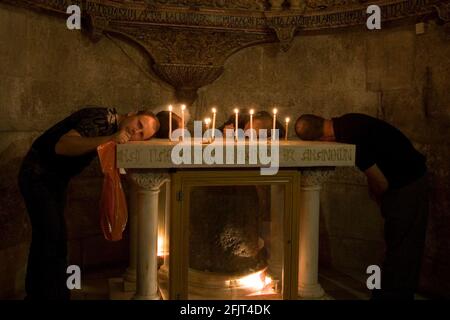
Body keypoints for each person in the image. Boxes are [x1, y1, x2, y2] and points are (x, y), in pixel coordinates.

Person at [18, 106, 160, 300]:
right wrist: (111, 139)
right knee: (51, 238)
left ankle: (45, 295)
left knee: (52, 238)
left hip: (52, 180)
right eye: (139, 124)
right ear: (131, 114)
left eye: (142, 134)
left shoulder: (112, 128)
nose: (137, 131)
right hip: (38, 175)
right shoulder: (101, 119)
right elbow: (62, 145)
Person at [295, 113, 428, 300]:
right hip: (408, 176)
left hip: (408, 183)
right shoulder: (348, 120)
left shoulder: (353, 142)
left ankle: (392, 296)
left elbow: (381, 183)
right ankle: (392, 293)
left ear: (323, 138)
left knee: (403, 246)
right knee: (401, 244)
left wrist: (377, 195)